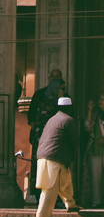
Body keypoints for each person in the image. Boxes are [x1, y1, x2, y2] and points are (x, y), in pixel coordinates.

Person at [34, 94, 78, 217]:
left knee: (65, 180)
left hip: (45, 156)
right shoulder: (68, 120)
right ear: (70, 108)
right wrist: (73, 157)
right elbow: (74, 141)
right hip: (55, 157)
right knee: (50, 188)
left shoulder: (52, 119)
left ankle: (71, 204)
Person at [26, 69, 66, 203]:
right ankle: (39, 196)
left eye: (57, 77)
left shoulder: (65, 97)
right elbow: (31, 117)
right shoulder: (39, 95)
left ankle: (58, 198)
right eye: (52, 77)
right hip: (40, 139)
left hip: (57, 141)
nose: (54, 80)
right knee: (39, 167)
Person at [83, 94, 104, 208]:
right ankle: (96, 201)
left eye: (103, 99)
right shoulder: (96, 116)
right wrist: (89, 112)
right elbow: (87, 128)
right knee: (95, 177)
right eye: (99, 99)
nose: (100, 101)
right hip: (95, 150)